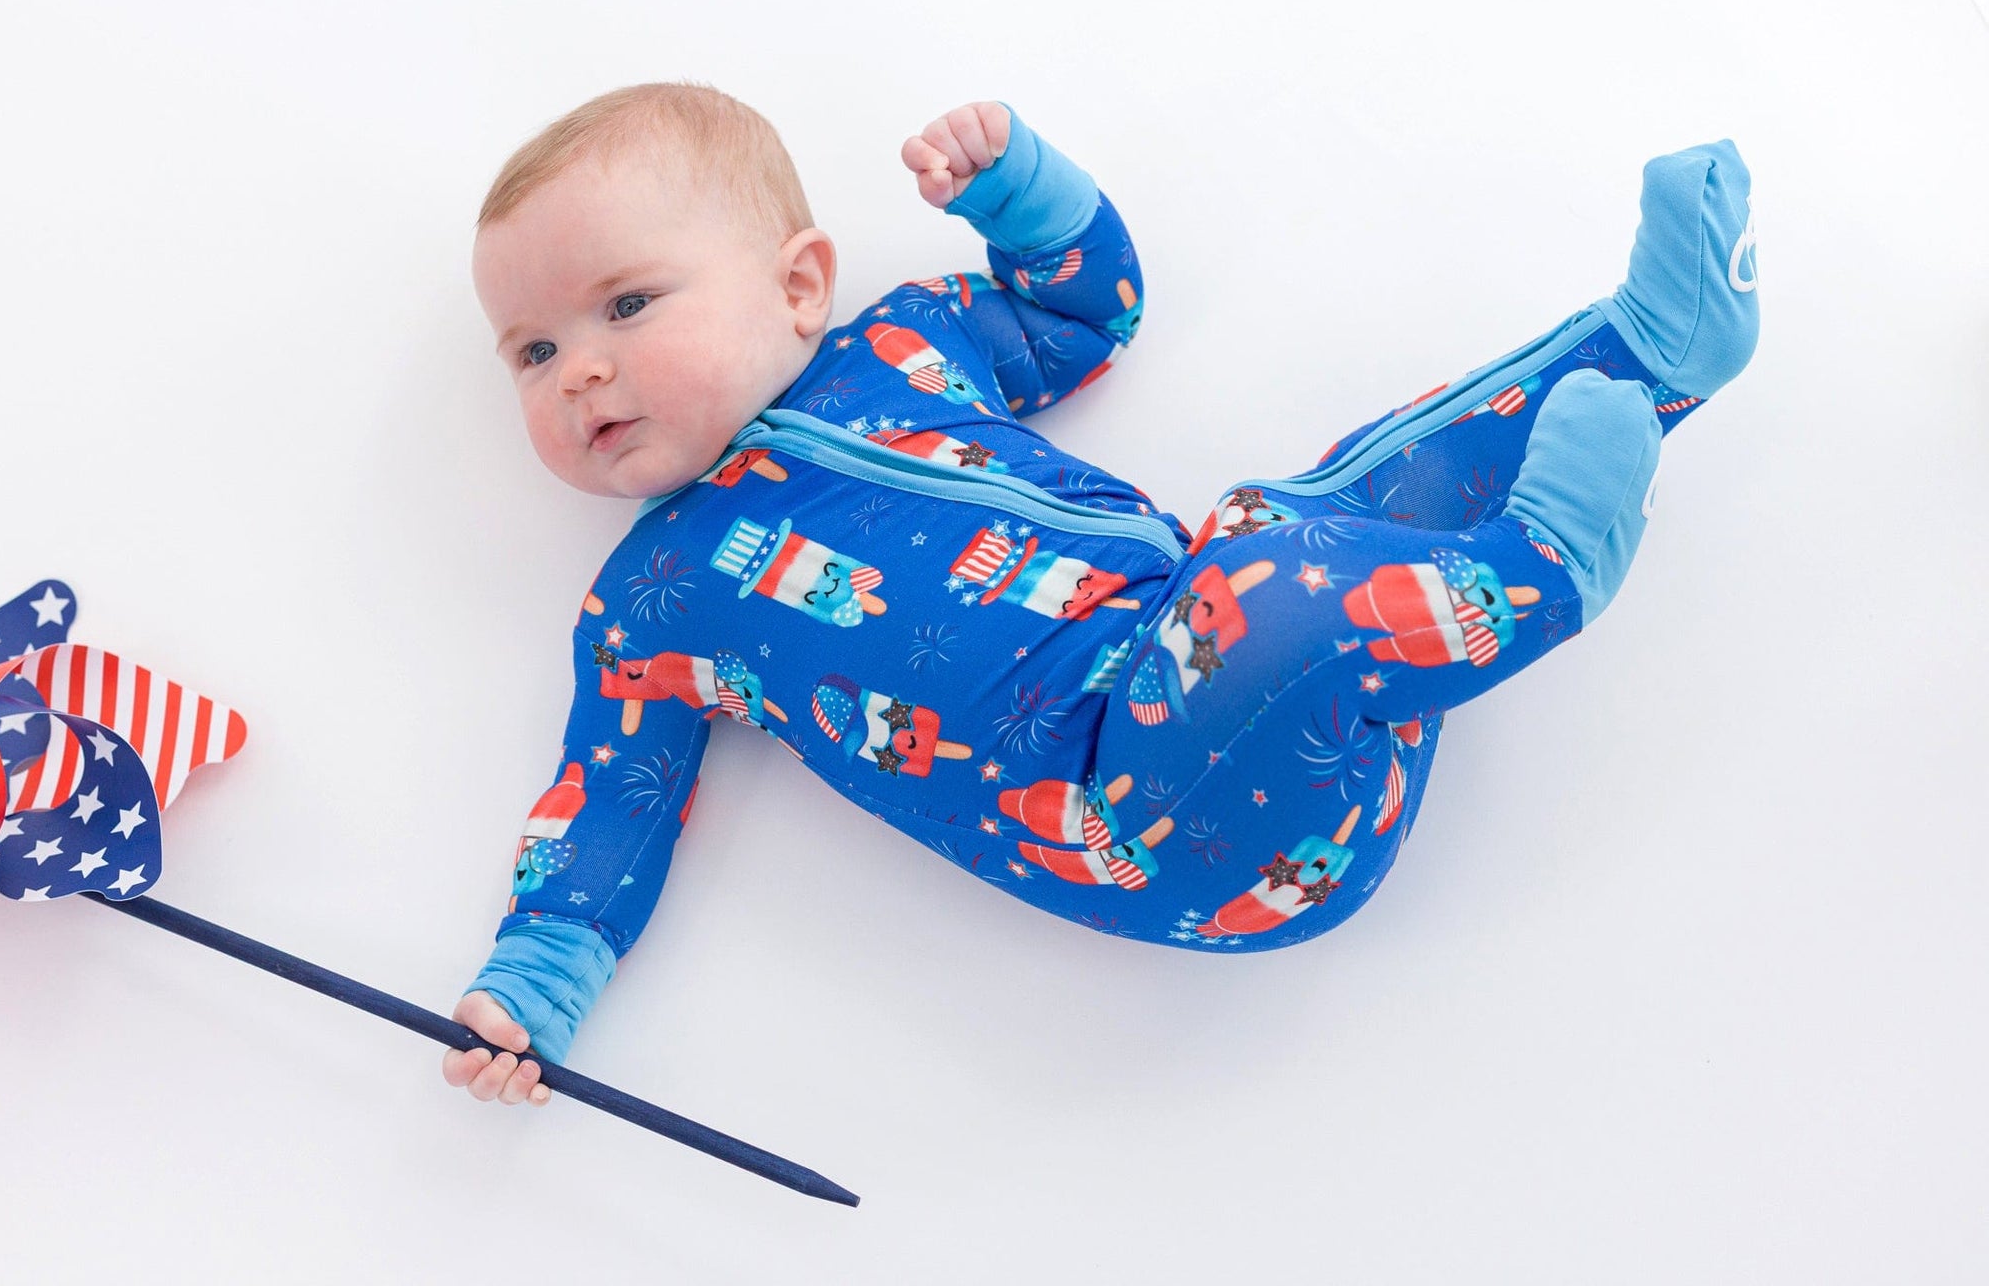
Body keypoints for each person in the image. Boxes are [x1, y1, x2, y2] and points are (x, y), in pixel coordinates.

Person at [443, 85, 1758, 1108]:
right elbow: (610, 797)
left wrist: (1020, 192)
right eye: (534, 351)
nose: (579, 373)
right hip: (1153, 821)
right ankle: (1546, 567)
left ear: (797, 287)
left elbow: (1087, 317)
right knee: (1269, 580)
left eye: (626, 305)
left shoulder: (909, 341)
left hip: (1253, 647)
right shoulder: (650, 604)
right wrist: (531, 988)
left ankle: (1654, 348)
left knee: (1348, 500)